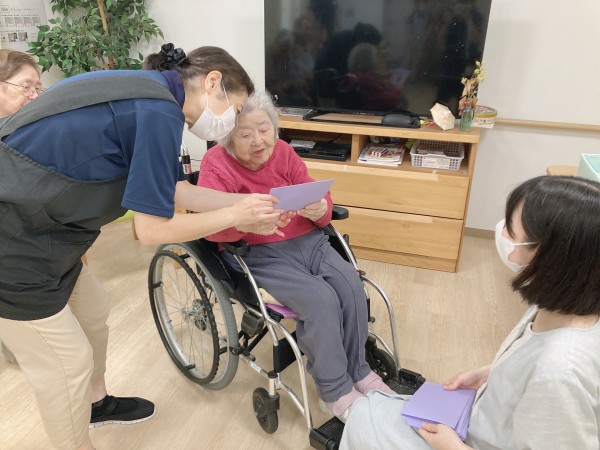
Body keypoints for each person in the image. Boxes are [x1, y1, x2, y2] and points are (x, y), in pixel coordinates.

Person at [0, 44, 286, 450]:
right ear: (213, 82)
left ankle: (95, 404)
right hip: (14, 247)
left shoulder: (151, 94)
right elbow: (150, 230)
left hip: (50, 235)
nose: (231, 121)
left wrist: (247, 204)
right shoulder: (157, 110)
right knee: (67, 364)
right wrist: (235, 216)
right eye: (236, 109)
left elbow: (176, 190)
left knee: (93, 310)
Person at [340, 175, 600, 450]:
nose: (501, 232)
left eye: (510, 229)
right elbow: (529, 364)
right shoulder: (561, 308)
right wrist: (492, 373)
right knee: (372, 409)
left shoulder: (560, 372)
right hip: (483, 420)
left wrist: (452, 446)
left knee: (363, 417)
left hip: (473, 442)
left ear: (548, 256)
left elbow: (550, 387)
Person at [197, 90, 396, 422]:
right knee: (320, 299)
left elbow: (318, 197)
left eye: (264, 129)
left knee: (351, 285)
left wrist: (320, 208)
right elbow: (210, 228)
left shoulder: (284, 152)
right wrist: (245, 223)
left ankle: (359, 371)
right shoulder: (216, 164)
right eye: (245, 135)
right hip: (259, 253)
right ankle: (334, 391)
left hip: (309, 241)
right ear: (228, 138)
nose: (258, 141)